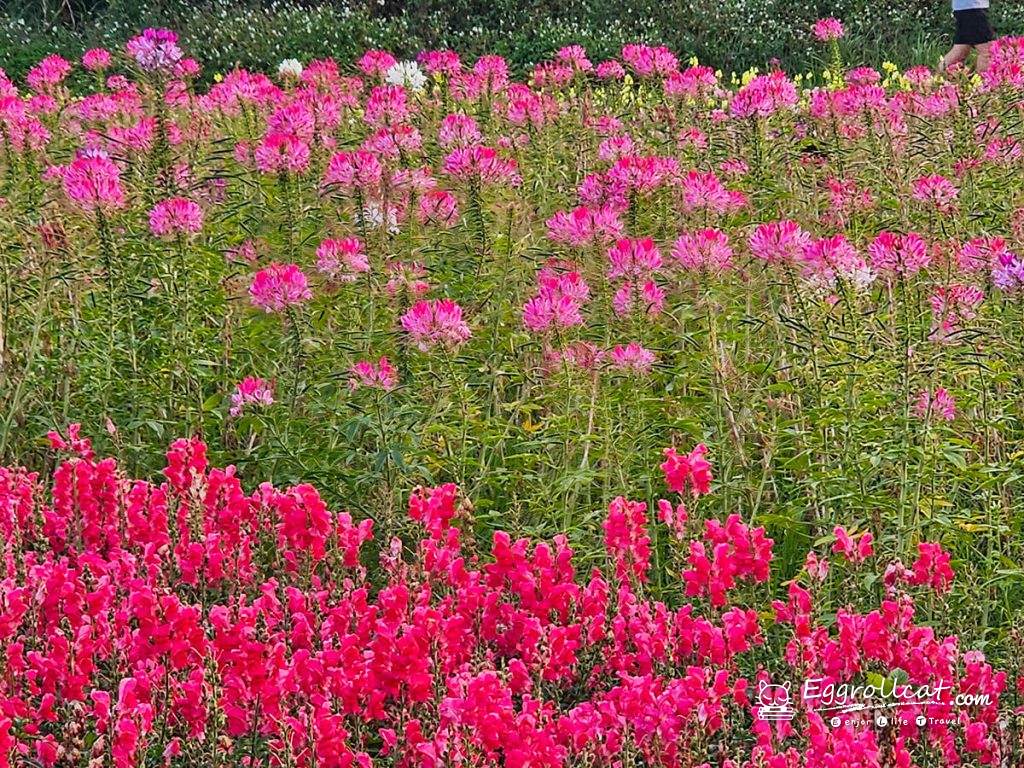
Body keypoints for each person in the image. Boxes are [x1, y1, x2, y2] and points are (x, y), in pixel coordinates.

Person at [941, 0, 996, 74]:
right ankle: (986, 82)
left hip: (968, 8)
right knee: (988, 51)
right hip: (973, 8)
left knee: (961, 50)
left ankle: (936, 79)